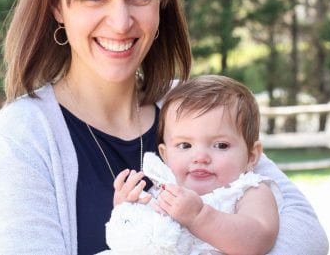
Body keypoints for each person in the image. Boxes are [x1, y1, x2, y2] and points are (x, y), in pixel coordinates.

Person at [0, 0, 329, 255]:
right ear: (56, 5)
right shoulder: (25, 132)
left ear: (162, 2)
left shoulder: (191, 108)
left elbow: (305, 235)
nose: (120, 22)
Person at [104, 75, 282, 254]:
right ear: (165, 155)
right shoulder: (163, 190)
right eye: (185, 145)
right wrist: (127, 209)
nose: (200, 157)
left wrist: (199, 217)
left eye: (221, 145)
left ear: (251, 156)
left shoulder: (248, 191)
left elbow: (259, 238)